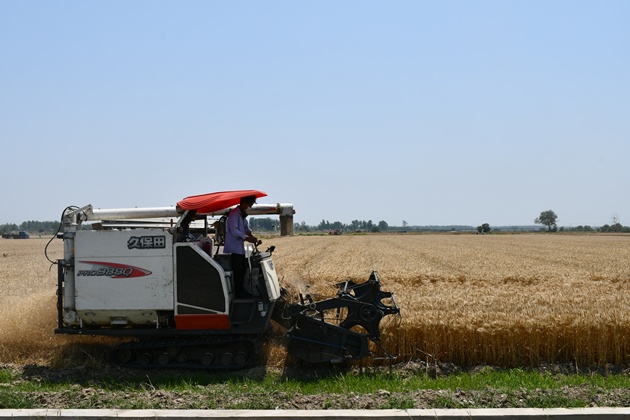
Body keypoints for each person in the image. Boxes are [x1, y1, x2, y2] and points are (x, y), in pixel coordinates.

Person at [224, 195, 261, 297]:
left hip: (239, 249)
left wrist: (254, 239)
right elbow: (235, 231)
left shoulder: (242, 216)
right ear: (244, 204)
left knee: (243, 270)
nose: (250, 207)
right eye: (250, 205)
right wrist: (248, 239)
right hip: (233, 249)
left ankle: (242, 291)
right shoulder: (234, 215)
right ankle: (238, 294)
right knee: (237, 272)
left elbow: (247, 230)